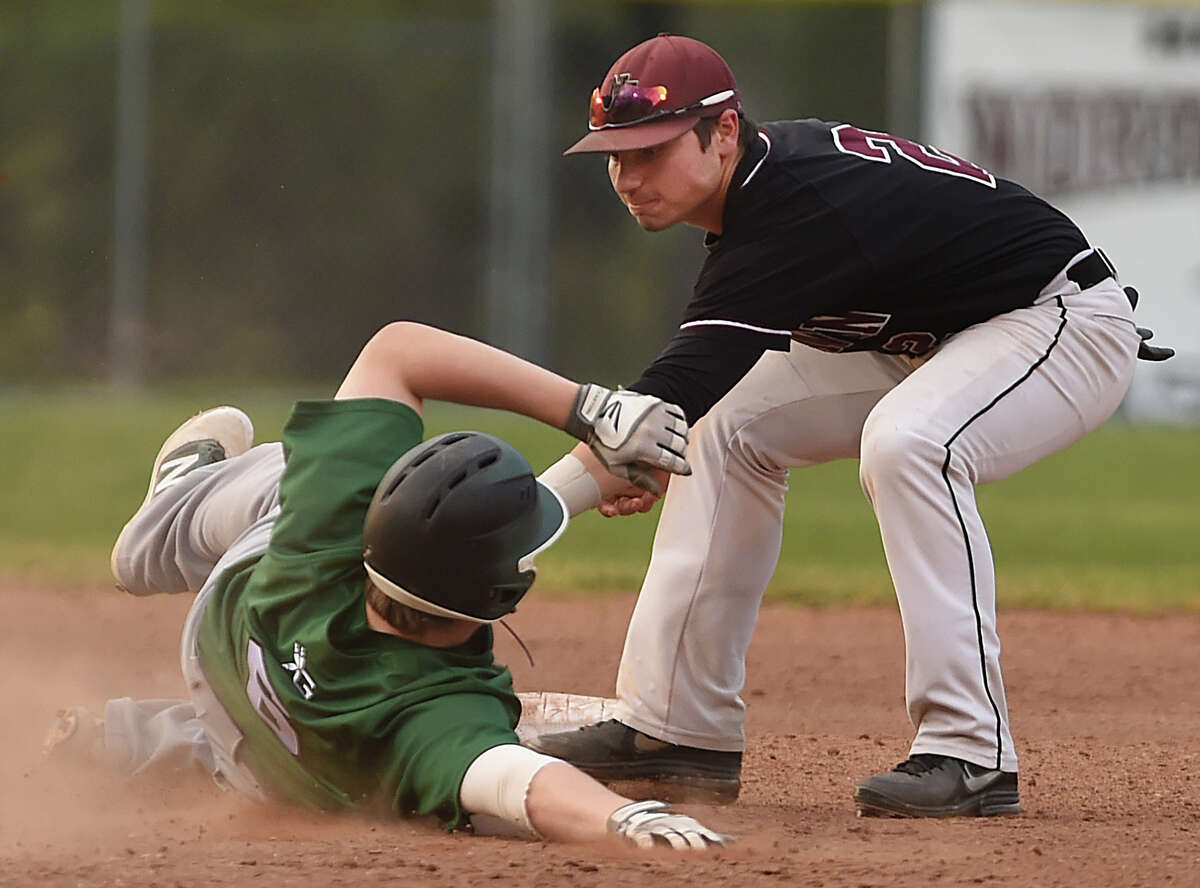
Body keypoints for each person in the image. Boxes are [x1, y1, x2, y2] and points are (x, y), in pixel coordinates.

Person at [529, 34, 1173, 818]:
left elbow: (663, 396)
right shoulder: (760, 196)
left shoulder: (794, 203)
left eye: (652, 151)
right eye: (616, 156)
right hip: (936, 343)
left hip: (1059, 320)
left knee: (912, 443)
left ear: (724, 132)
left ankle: (971, 752)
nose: (629, 177)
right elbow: (675, 412)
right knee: (723, 428)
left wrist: (526, 511)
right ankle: (676, 730)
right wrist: (645, 444)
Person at [44, 321, 729, 850]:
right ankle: (135, 739)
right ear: (496, 597)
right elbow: (515, 781)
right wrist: (624, 819)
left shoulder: (340, 515)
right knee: (341, 759)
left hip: (226, 632)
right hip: (273, 765)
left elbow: (397, 348)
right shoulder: (429, 711)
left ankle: (160, 526)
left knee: (295, 477)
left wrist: (591, 411)